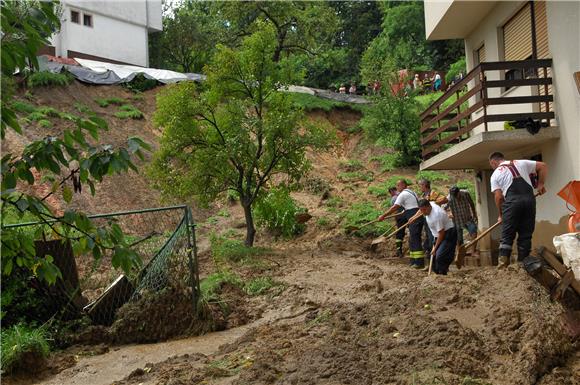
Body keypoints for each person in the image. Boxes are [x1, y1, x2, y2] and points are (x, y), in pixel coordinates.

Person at [489, 152, 548, 267]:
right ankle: (524, 264)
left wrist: (501, 215)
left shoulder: (495, 174)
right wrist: (540, 184)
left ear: (493, 162)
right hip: (529, 201)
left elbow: (499, 197)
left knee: (507, 235)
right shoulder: (521, 162)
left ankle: (502, 265)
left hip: (512, 204)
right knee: (525, 234)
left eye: (491, 165)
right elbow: (543, 166)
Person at [378, 180, 425, 267]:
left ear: (403, 185)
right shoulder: (412, 192)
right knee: (412, 239)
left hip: (414, 215)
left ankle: (419, 263)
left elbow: (395, 207)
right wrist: (405, 211)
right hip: (416, 215)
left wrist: (383, 216)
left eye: (398, 185)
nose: (397, 187)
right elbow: (412, 204)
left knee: (414, 239)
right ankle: (413, 261)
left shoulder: (403, 194)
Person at [418, 199, 457, 275]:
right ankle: (437, 273)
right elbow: (421, 210)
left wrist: (435, 248)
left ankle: (443, 274)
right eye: (421, 210)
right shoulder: (430, 204)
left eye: (424, 210)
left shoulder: (436, 216)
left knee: (439, 255)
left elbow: (441, 233)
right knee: (432, 256)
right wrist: (413, 218)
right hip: (438, 234)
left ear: (429, 206)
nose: (423, 212)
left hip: (448, 233)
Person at [418, 179, 448, 263]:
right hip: (427, 219)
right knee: (428, 238)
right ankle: (430, 260)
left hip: (435, 219)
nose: (420, 187)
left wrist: (433, 203)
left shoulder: (433, 193)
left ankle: (435, 260)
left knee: (433, 238)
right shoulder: (423, 195)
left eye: (420, 185)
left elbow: (445, 199)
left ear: (424, 185)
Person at [389, 187, 406, 257]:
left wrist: (396, 218)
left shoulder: (394, 198)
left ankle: (399, 251)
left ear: (392, 191)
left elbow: (394, 209)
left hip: (400, 217)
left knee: (399, 234)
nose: (390, 195)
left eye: (390, 193)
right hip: (409, 215)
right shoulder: (404, 195)